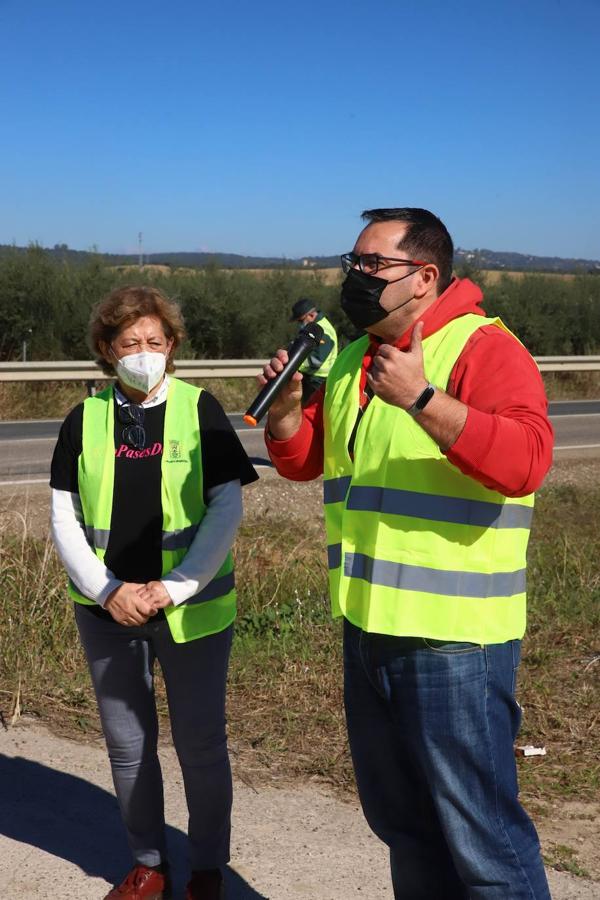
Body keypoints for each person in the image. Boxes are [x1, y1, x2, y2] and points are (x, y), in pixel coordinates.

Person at [261, 209, 554, 899]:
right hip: (368, 631)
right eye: (352, 262)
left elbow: (528, 462)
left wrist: (423, 398)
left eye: (372, 265)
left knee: (483, 841)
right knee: (405, 829)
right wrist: (283, 415)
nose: (353, 277)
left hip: (453, 644)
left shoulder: (483, 347)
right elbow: (312, 463)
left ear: (424, 277)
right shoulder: (358, 357)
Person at [50, 285, 258, 900]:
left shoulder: (201, 409)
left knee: (201, 746)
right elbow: (64, 516)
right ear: (106, 351)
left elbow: (226, 506)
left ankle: (206, 870)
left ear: (172, 347)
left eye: (154, 341)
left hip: (191, 611)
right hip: (108, 611)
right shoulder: (83, 420)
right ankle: (147, 864)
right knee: (128, 746)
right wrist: (108, 589)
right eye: (129, 343)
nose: (143, 352)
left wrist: (175, 586)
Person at [289, 297, 338, 404]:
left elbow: (316, 360)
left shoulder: (322, 331)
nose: (300, 324)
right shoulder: (314, 328)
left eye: (301, 320)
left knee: (309, 415)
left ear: (311, 315)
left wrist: (292, 364)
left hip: (318, 382)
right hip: (312, 379)